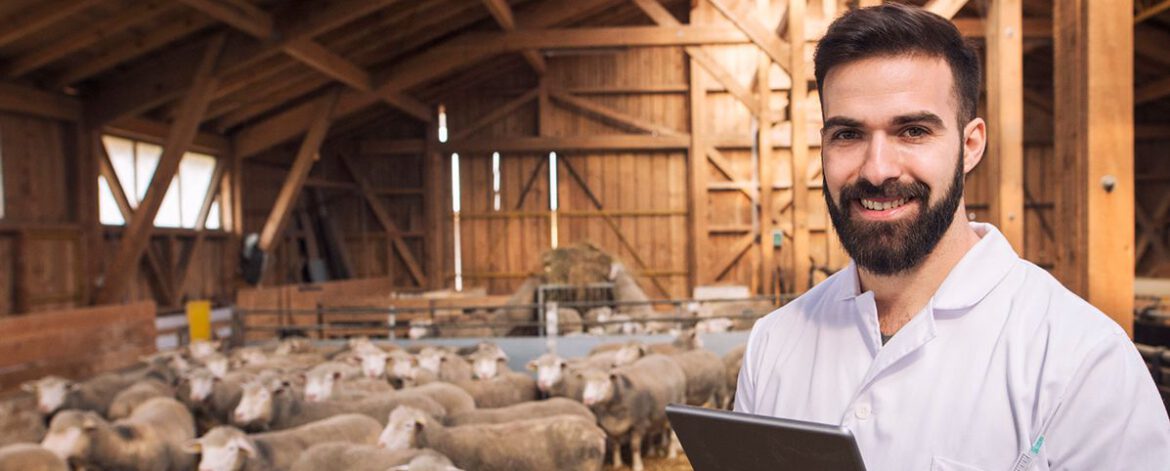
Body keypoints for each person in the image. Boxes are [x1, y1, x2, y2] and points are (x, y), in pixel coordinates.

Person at [734, 3, 1170, 470]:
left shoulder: (1081, 360)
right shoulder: (774, 344)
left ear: (970, 145)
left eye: (914, 130)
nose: (878, 169)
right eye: (848, 134)